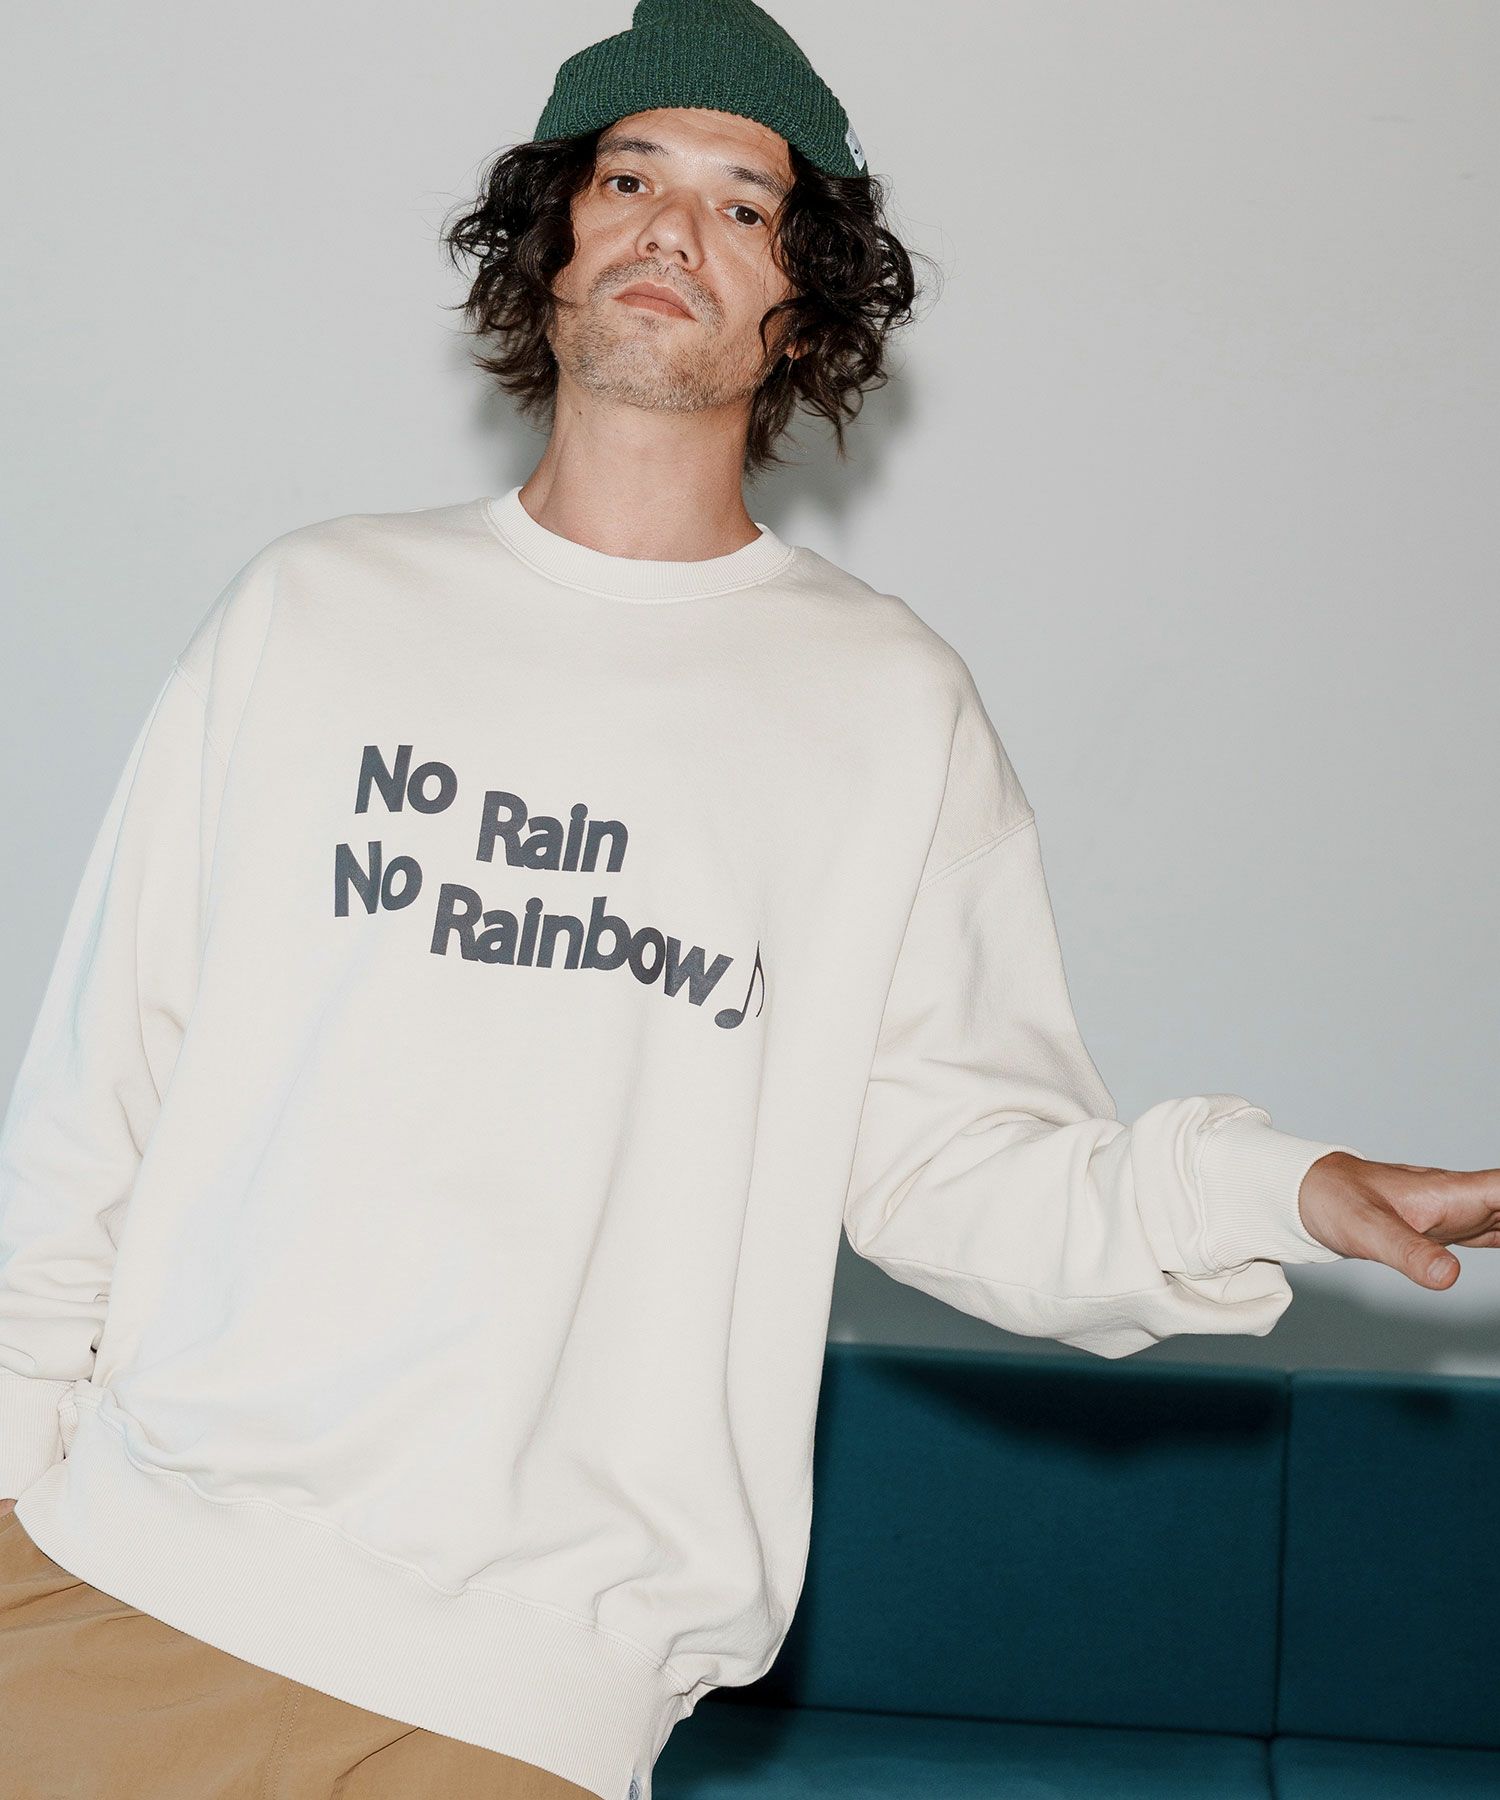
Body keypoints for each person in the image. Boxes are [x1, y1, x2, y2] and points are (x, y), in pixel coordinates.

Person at [2, 1, 1495, 1796]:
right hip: (124, 1575)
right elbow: (100, 1089)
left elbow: (958, 1163)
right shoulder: (312, 612)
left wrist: (1278, 1191)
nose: (672, 230)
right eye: (630, 177)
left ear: (808, 298)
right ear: (554, 236)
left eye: (743, 203)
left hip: (514, 1697)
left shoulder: (883, 707)